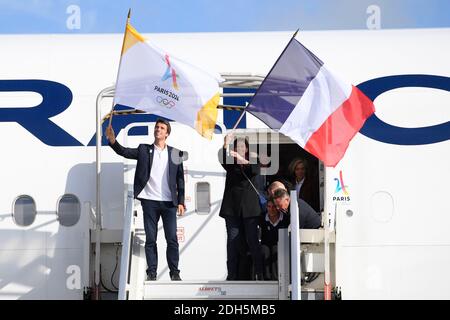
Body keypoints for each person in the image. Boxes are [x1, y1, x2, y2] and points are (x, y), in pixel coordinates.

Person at [105, 119, 185, 281]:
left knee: (172, 239)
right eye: (157, 127)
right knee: (151, 239)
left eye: (162, 128)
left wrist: (181, 201)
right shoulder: (144, 150)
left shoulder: (175, 153)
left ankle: (174, 272)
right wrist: (113, 141)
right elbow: (124, 152)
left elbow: (180, 179)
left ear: (167, 134)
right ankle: (152, 272)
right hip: (149, 201)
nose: (158, 130)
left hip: (169, 203)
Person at [218, 133, 264, 281]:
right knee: (232, 242)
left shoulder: (254, 160)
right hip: (232, 209)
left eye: (243, 146)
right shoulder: (230, 163)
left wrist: (241, 159)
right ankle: (232, 274)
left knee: (252, 240)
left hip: (250, 210)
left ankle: (259, 273)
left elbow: (254, 170)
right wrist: (225, 144)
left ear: (247, 149)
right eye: (237, 146)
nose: (240, 148)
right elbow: (222, 159)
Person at [260, 199, 290, 280]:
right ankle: (266, 279)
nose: (271, 209)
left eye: (273, 207)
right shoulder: (262, 218)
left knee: (276, 250)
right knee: (264, 251)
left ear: (278, 208)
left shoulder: (285, 218)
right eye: (269, 206)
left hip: (280, 243)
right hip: (265, 243)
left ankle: (276, 278)